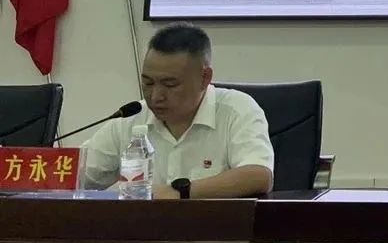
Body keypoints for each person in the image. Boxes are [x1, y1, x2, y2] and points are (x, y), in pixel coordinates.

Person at [83, 23, 274, 199]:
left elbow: (258, 176)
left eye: (170, 84)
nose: (155, 96)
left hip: (214, 225)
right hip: (141, 225)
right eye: (148, 83)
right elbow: (75, 175)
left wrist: (177, 192)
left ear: (204, 78)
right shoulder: (131, 119)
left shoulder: (236, 110)